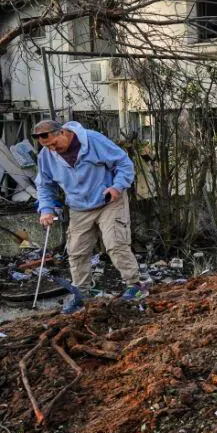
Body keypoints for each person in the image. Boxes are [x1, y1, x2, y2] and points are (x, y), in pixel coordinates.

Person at [33, 119, 143, 314]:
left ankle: (135, 286)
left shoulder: (93, 141)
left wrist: (117, 187)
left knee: (115, 244)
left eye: (53, 144)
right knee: (76, 251)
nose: (52, 150)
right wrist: (46, 209)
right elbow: (44, 185)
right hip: (78, 207)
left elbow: (124, 163)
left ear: (63, 133)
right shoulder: (47, 155)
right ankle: (82, 294)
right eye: (46, 147)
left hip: (108, 200)